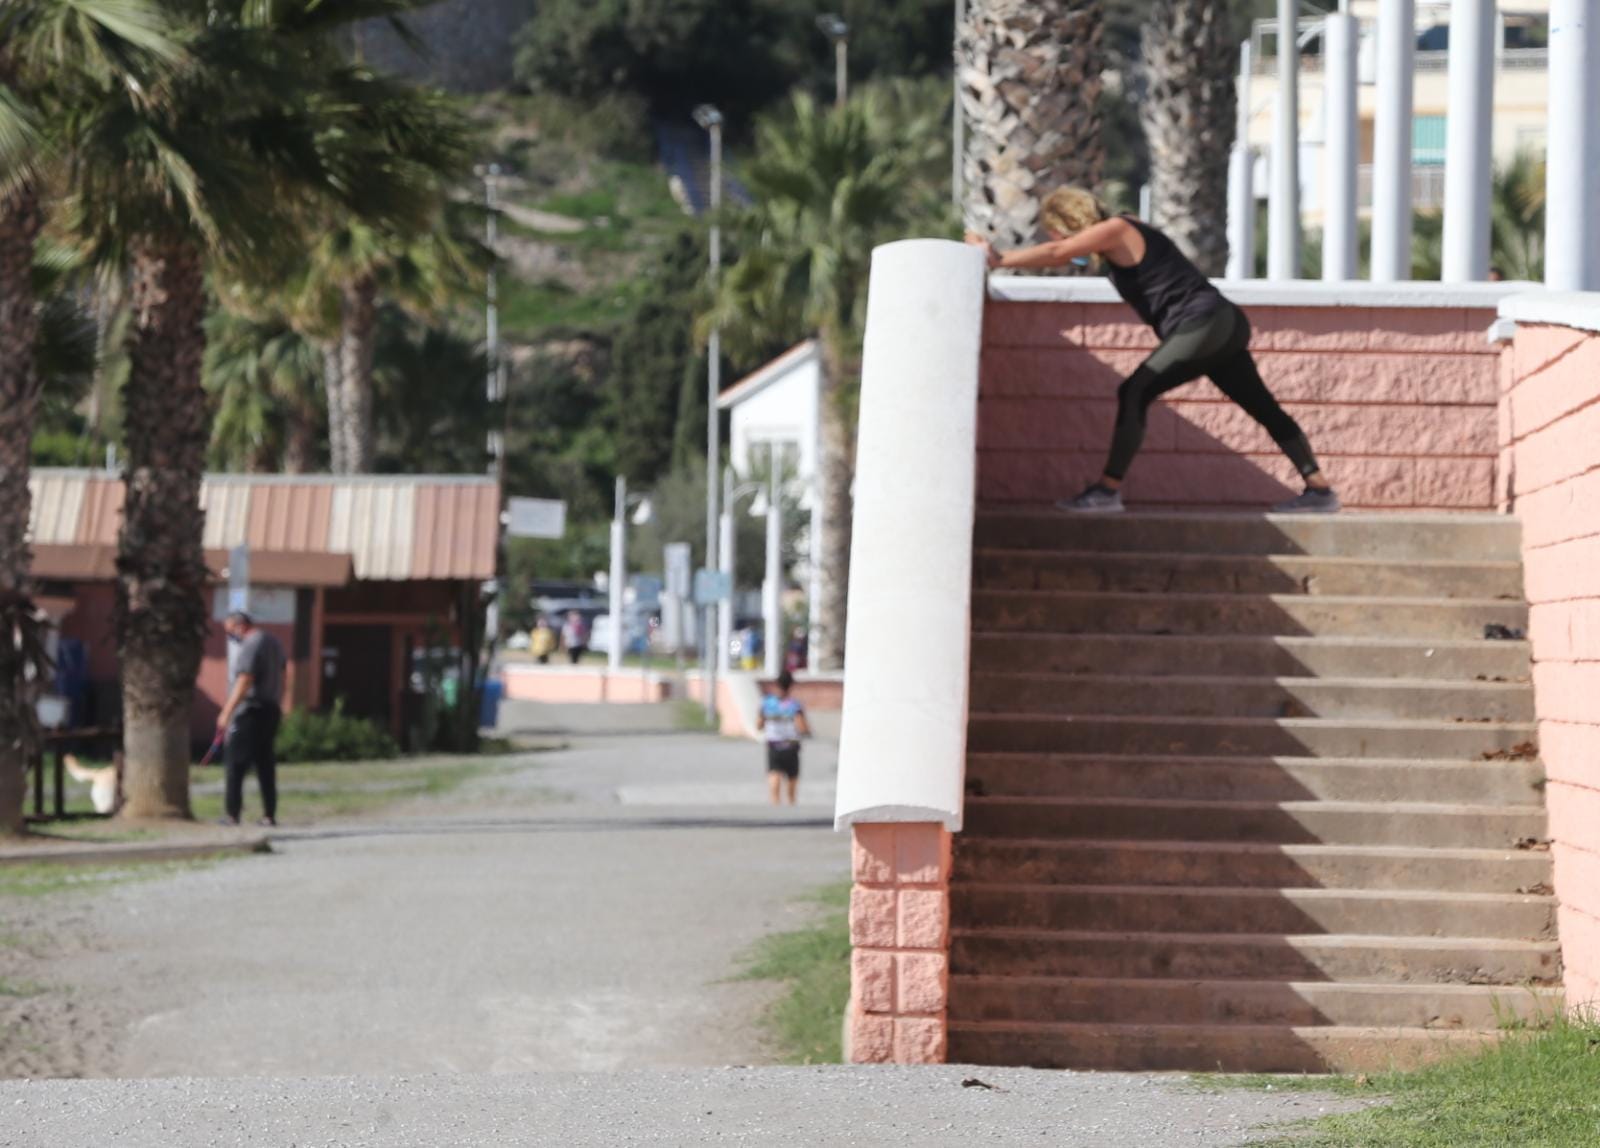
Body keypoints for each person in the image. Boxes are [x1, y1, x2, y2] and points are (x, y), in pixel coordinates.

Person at [967, 188, 1341, 514]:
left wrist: (998, 260)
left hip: (1203, 323)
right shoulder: (1121, 230)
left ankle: (1107, 491)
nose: (1058, 236)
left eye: (1057, 227)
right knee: (1260, 405)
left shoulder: (1117, 228)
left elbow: (1059, 251)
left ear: (1069, 221)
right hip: (1221, 323)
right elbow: (1073, 254)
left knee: (1135, 390)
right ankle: (1320, 489)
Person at [216, 611, 285, 827]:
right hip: (271, 708)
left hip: (250, 712)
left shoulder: (251, 644)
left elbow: (245, 679)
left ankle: (232, 814)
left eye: (230, 632)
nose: (231, 638)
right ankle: (269, 814)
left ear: (240, 625)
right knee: (265, 763)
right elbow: (283, 672)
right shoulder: (274, 642)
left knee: (235, 763)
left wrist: (226, 712)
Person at [757, 670, 810, 806]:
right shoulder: (794, 705)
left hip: (774, 744)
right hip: (791, 745)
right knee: (792, 777)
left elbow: (759, 724)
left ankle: (775, 803)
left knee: (774, 772)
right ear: (791, 685)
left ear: (777, 684)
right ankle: (791, 803)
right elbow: (802, 726)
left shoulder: (768, 703)